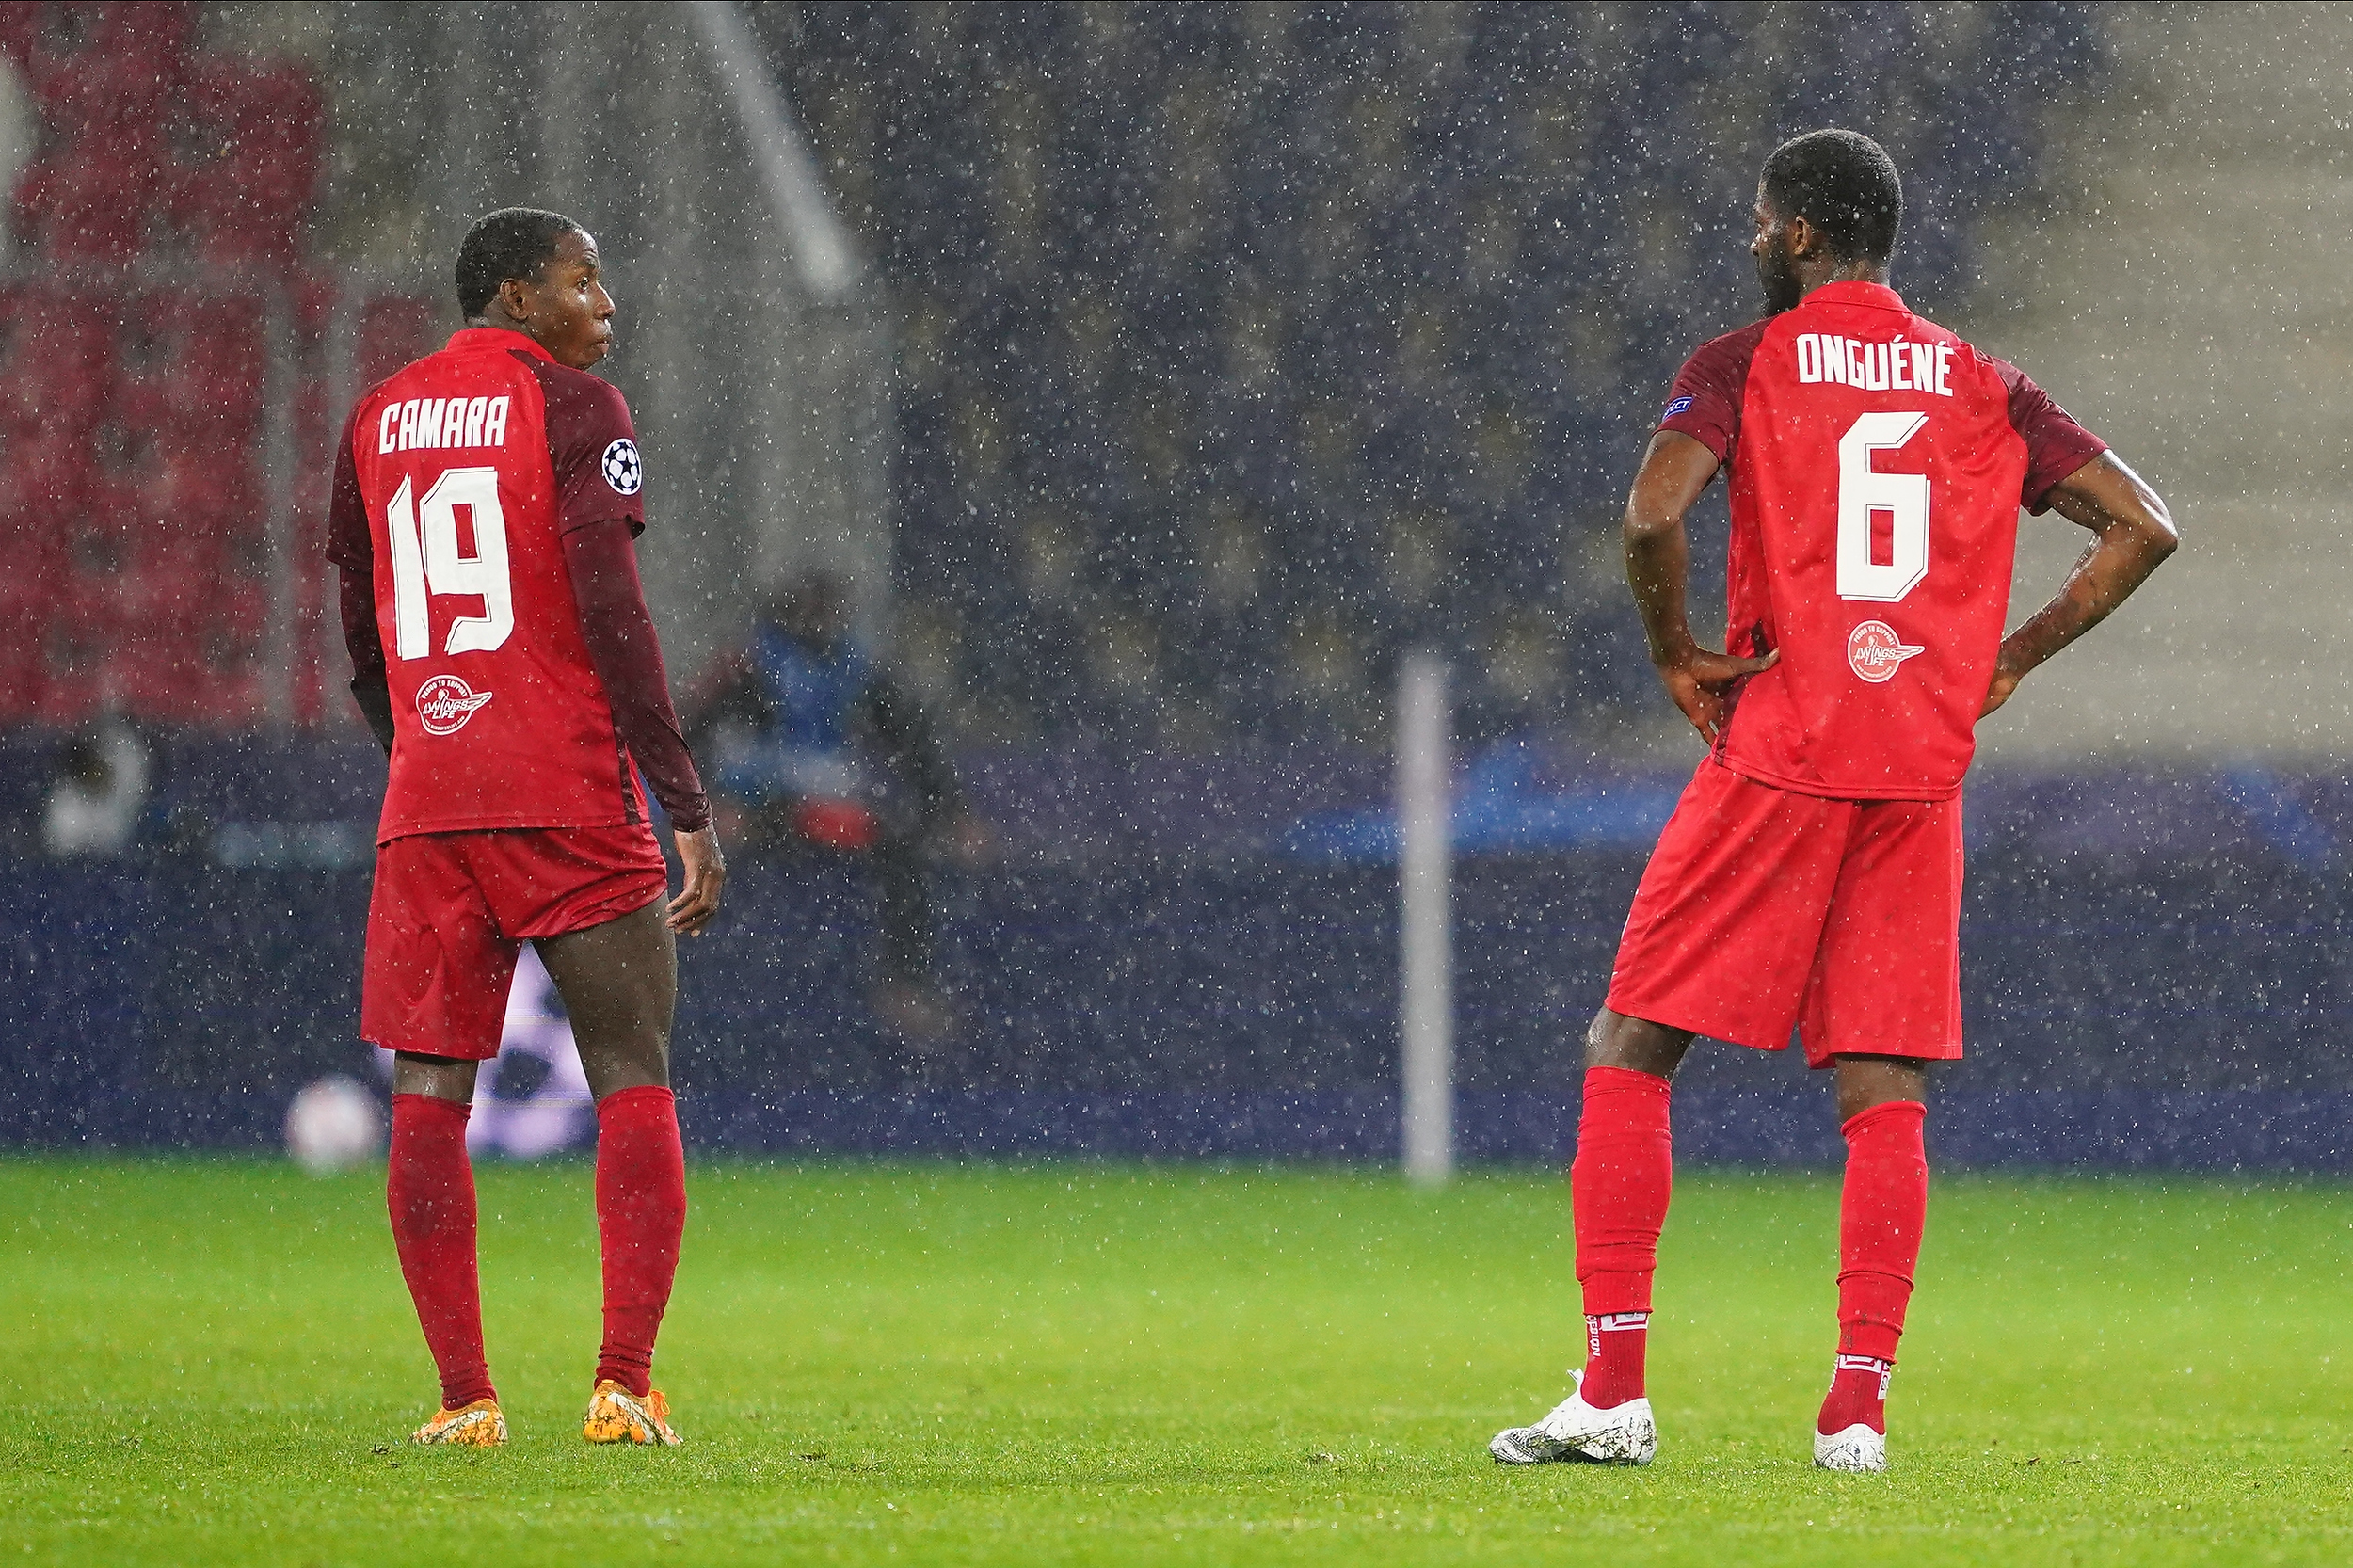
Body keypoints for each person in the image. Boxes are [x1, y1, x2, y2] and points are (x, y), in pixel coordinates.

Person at [1488, 130, 2176, 1473]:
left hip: (1784, 743)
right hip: (1917, 764)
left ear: (1798, 235)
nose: (1749, 241)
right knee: (1882, 1087)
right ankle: (1855, 1410)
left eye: (1757, 223)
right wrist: (2013, 658)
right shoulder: (1983, 380)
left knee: (1630, 1040)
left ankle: (1615, 1390)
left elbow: (1648, 516)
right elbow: (2147, 522)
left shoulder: (1743, 364)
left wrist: (1674, 652)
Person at [328, 206, 726, 1448]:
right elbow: (615, 613)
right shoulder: (572, 409)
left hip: (432, 797)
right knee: (630, 1068)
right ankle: (619, 1382)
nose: (606, 302)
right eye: (582, 279)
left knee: (429, 1092)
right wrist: (685, 798)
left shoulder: (375, 415)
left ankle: (465, 1399)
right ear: (514, 293)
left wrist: (419, 754)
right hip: (565, 784)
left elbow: (358, 613)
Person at [688, 573, 983, 1042]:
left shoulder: (854, 667)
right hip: (756, 801)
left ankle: (902, 980)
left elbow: (912, 739)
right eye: (810, 612)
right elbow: (687, 736)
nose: (822, 623)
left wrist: (951, 810)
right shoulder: (747, 666)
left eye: (829, 612)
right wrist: (704, 807)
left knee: (901, 845)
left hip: (825, 805)